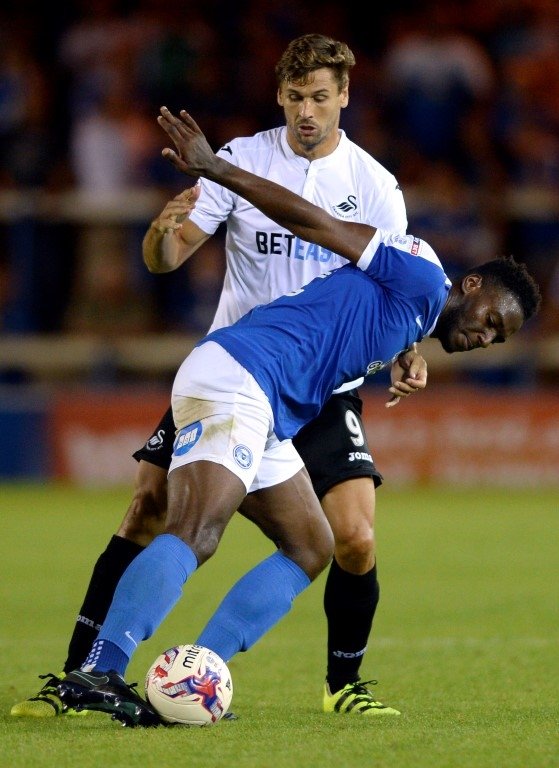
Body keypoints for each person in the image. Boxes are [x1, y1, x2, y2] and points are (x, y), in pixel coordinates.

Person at [53, 104, 540, 727]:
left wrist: (407, 355)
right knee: (195, 530)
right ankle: (99, 669)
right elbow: (315, 223)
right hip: (238, 375)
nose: (486, 337)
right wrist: (215, 171)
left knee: (312, 544)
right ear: (470, 286)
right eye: (492, 320)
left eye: (498, 339)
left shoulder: (415, 314)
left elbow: (368, 316)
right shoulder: (420, 274)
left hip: (271, 407)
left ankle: (195, 678)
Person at [12, 34, 426, 720]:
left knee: (348, 536)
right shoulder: (240, 159)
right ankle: (77, 676)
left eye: (321, 97)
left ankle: (342, 685)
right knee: (149, 508)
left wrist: (409, 349)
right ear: (278, 96)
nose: (307, 112)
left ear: (344, 97)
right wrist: (159, 239)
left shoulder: (376, 187)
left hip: (320, 387)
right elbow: (171, 253)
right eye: (295, 97)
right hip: (237, 366)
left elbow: (394, 291)